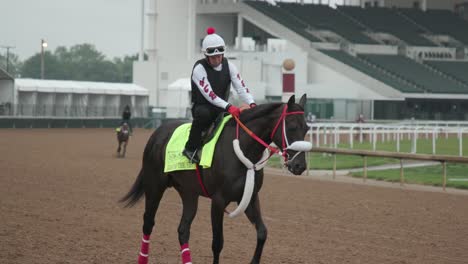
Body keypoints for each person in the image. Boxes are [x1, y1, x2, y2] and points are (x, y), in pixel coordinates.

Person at [182, 27, 256, 163]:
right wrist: (229, 107)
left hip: (222, 107)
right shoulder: (199, 69)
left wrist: (252, 103)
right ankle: (190, 148)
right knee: (204, 115)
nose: (216, 59)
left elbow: (241, 88)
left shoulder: (231, 67)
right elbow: (210, 95)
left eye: (219, 56)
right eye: (213, 57)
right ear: (206, 55)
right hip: (202, 107)